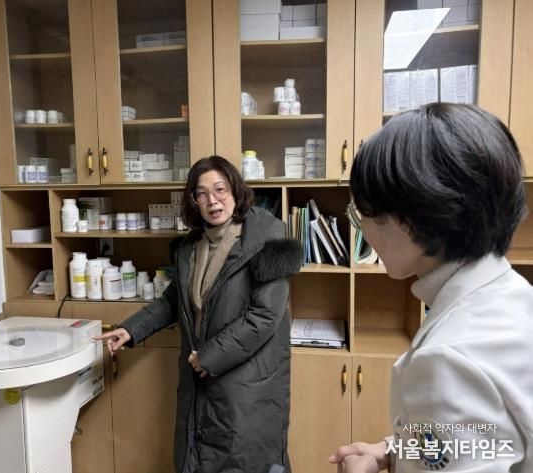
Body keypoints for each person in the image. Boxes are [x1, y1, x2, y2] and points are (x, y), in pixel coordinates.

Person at [328, 103, 533, 472]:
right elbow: (488, 438)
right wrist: (396, 449)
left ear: (409, 219)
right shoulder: (512, 293)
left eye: (363, 214)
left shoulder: (448, 359)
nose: (363, 232)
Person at [96, 156, 303, 473]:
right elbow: (173, 300)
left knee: (243, 461)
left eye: (220, 189)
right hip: (199, 377)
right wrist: (131, 329)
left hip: (245, 384)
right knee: (198, 458)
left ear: (235, 190)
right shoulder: (191, 247)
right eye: (201, 193)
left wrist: (208, 357)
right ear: (193, 201)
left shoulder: (268, 239)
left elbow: (264, 317)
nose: (212, 200)